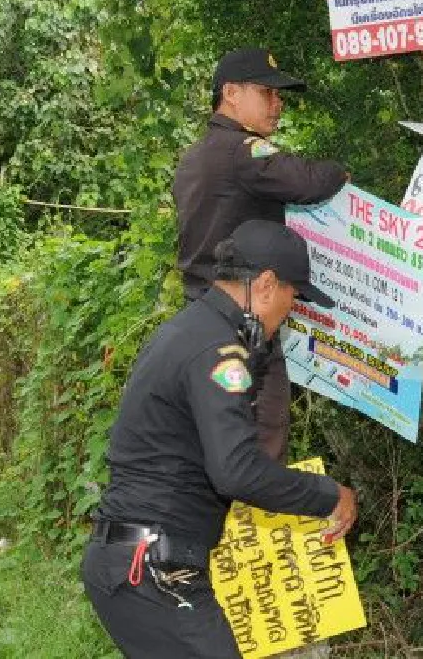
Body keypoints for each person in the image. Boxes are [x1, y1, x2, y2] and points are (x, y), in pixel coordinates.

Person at [82, 220, 358, 659]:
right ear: (266, 285)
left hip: (139, 561)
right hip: (150, 569)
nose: (291, 311)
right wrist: (328, 495)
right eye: (293, 297)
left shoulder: (192, 331)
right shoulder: (219, 352)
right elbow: (237, 471)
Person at [173, 48, 347, 462]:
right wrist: (341, 173)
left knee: (217, 445)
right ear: (231, 93)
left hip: (200, 318)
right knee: (260, 447)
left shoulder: (192, 158)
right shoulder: (242, 151)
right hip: (246, 324)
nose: (277, 103)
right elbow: (307, 182)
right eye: (267, 93)